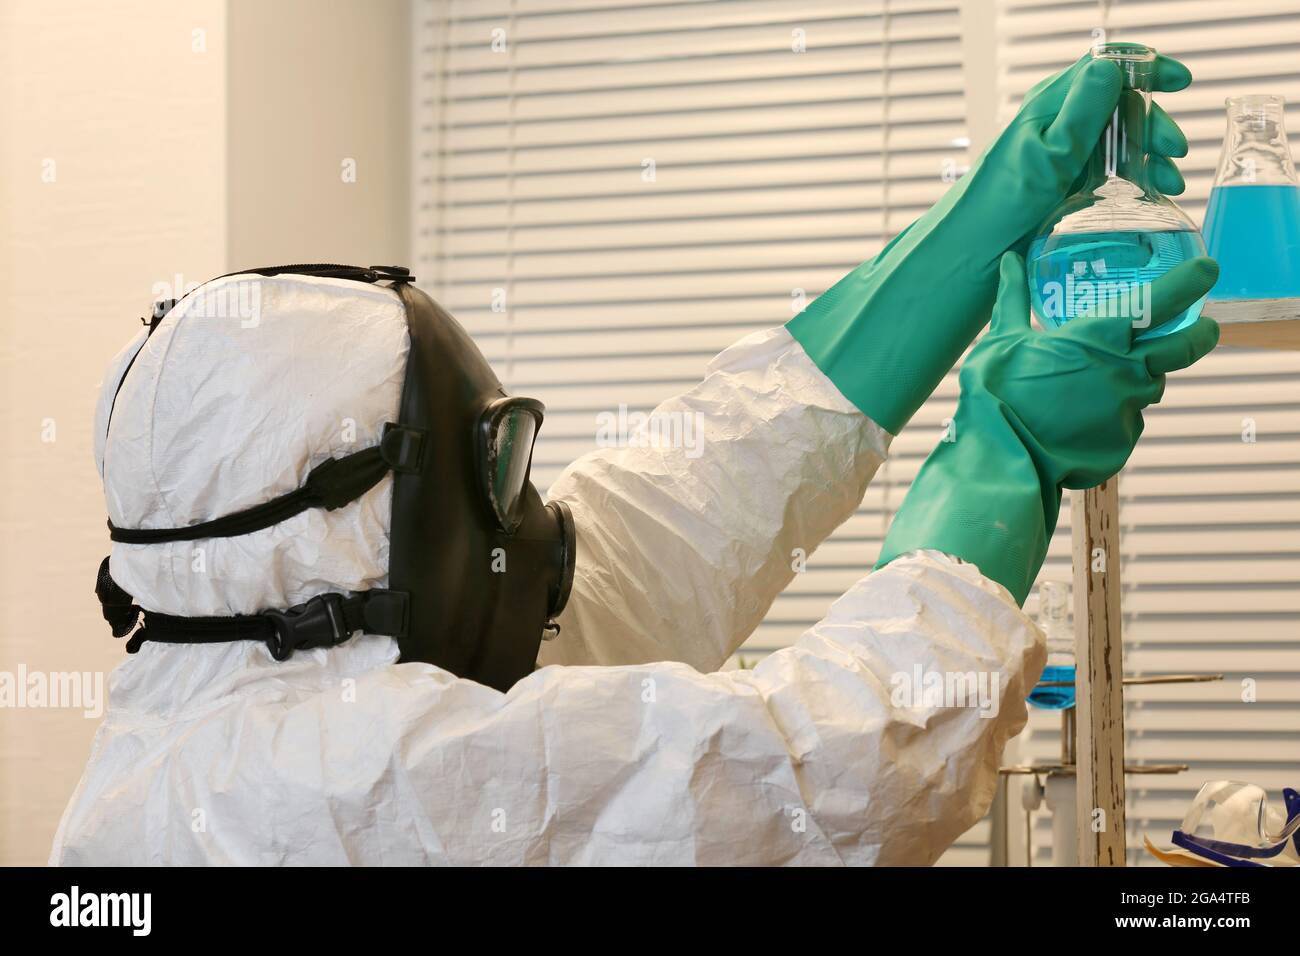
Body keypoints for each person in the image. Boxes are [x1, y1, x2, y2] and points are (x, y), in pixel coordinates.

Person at [51, 51, 1217, 865]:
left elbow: (670, 521)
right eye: (480, 469)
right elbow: (826, 769)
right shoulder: (318, 788)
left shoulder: (291, 650)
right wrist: (999, 456)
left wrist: (974, 224)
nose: (519, 506)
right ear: (335, 523)